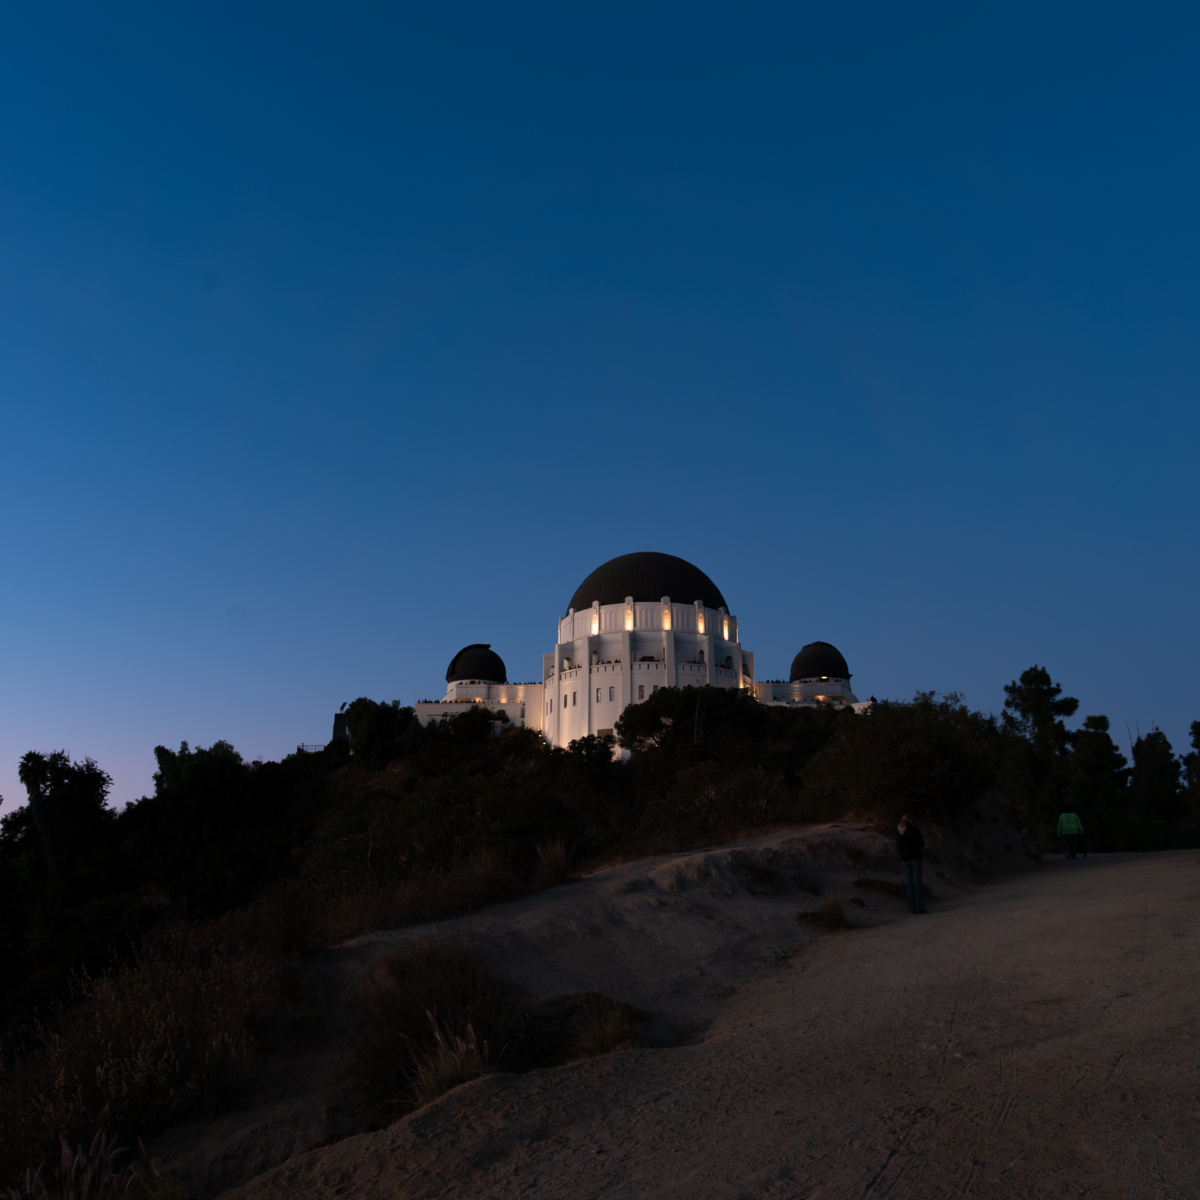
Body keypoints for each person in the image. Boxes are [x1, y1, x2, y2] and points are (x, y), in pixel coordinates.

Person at [896, 814, 929, 914]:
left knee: (909, 883)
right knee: (917, 882)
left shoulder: (899, 831)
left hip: (904, 860)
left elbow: (898, 846)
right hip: (915, 858)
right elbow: (922, 844)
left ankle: (912, 908)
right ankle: (920, 908)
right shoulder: (914, 830)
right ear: (910, 820)